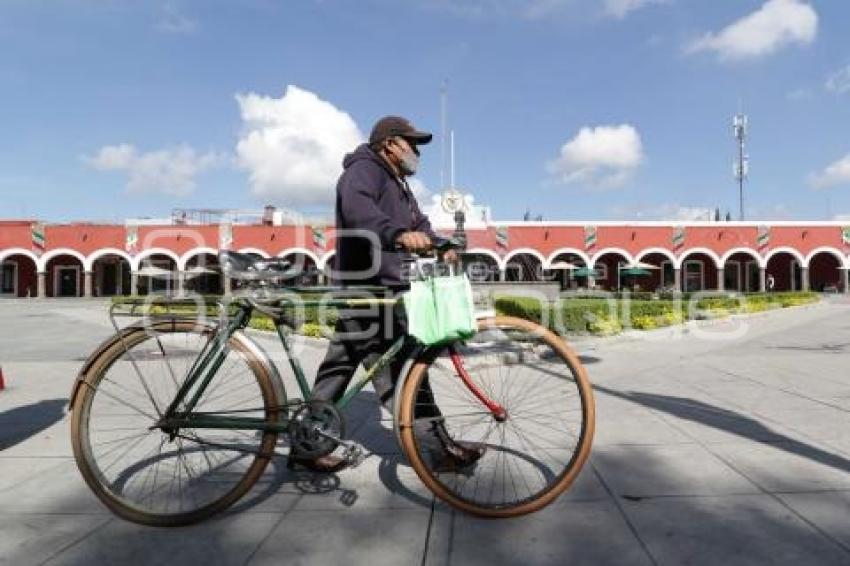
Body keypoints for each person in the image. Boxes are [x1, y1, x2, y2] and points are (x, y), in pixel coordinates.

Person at [289, 116, 485, 472]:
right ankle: (438, 448)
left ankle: (307, 443)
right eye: (412, 144)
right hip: (368, 288)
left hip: (381, 288)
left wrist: (440, 244)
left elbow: (419, 223)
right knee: (403, 373)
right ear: (391, 143)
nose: (416, 153)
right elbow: (359, 212)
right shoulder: (364, 171)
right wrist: (397, 235)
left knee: (340, 369)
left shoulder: (399, 183)